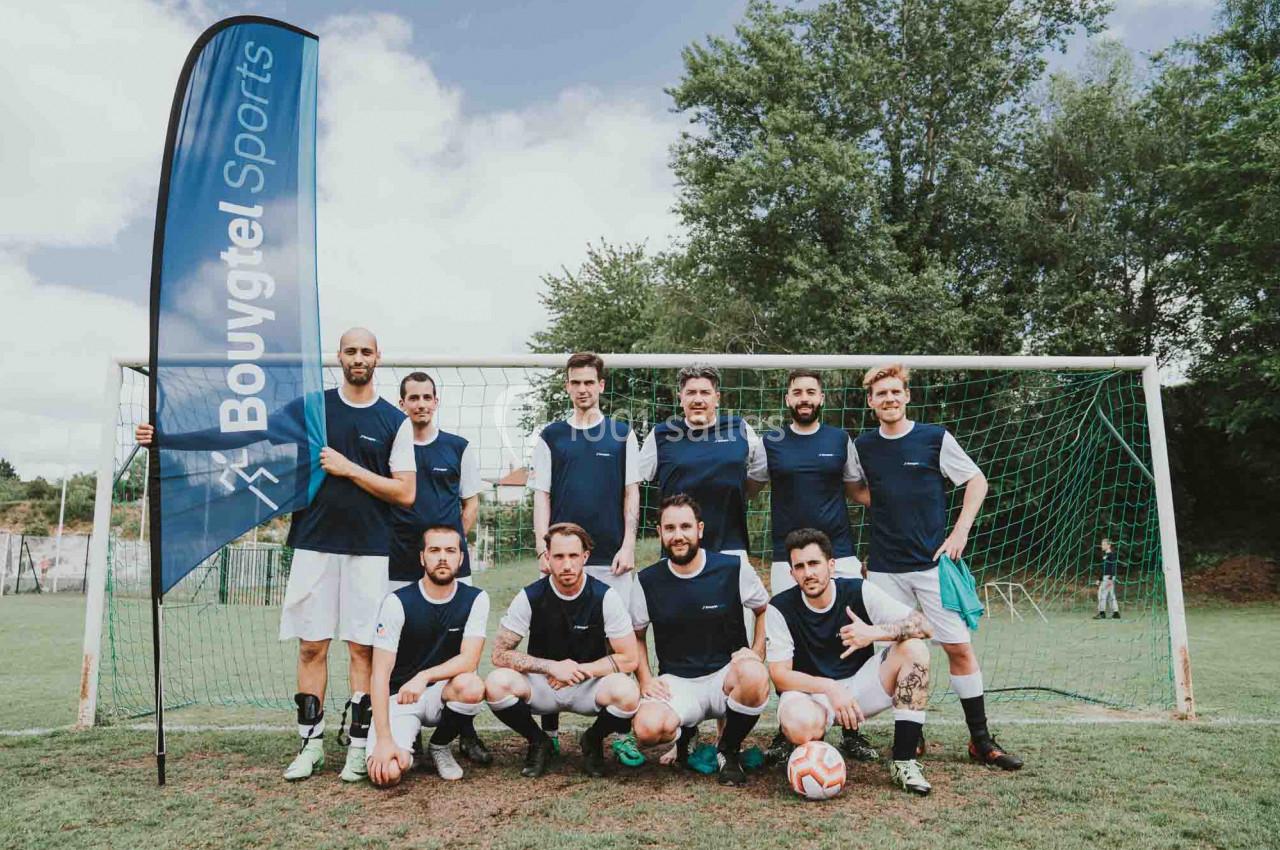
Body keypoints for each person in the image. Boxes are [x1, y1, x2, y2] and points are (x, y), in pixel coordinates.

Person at [136, 327, 417, 783]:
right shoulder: (312, 409)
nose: (358, 358)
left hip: (368, 549)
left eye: (366, 351)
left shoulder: (394, 420)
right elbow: (244, 432)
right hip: (313, 543)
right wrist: (168, 438)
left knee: (363, 650)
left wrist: (349, 469)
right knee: (311, 646)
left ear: (377, 357)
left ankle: (358, 747)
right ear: (339, 357)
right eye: (350, 351)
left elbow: (405, 492)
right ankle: (310, 746)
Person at [847, 363, 1022, 771]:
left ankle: (981, 740)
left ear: (907, 396)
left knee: (959, 648)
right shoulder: (864, 446)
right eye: (881, 394)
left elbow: (976, 481)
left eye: (896, 391)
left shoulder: (934, 438)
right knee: (898, 652)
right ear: (871, 402)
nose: (889, 398)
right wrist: (887, 503)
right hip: (885, 569)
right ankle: (912, 736)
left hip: (932, 565)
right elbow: (854, 488)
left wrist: (959, 533)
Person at [758, 369, 875, 762]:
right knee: (790, 641)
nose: (804, 398)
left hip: (838, 554)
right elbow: (749, 485)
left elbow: (857, 489)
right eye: (797, 392)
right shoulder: (771, 441)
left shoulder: (840, 440)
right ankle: (786, 726)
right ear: (788, 399)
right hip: (786, 557)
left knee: (849, 636)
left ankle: (853, 729)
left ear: (821, 398)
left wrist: (906, 505)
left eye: (811, 391)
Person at [529, 352, 641, 761]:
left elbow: (631, 493)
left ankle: (618, 731)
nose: (582, 389)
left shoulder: (622, 434)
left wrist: (629, 544)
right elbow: (542, 495)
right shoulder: (552, 436)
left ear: (601, 386)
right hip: (562, 558)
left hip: (611, 557)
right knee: (552, 637)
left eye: (589, 382)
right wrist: (542, 546)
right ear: (567, 386)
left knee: (618, 640)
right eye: (575, 382)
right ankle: (550, 731)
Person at [768, 528, 934, 795]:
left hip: (859, 689)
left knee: (914, 649)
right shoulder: (780, 607)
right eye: (799, 567)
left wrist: (873, 633)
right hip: (811, 693)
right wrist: (830, 688)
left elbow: (925, 626)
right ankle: (808, 753)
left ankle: (904, 761)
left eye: (814, 563)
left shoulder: (858, 591)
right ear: (792, 573)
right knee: (800, 725)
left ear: (831, 565)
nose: (808, 573)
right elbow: (779, 675)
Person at [629, 494, 771, 787]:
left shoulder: (733, 568)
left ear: (700, 529)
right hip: (678, 682)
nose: (678, 535)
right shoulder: (647, 581)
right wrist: (645, 679)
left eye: (685, 526)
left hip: (726, 676)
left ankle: (728, 750)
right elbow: (637, 635)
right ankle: (686, 735)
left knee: (755, 675)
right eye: (670, 528)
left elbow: (764, 609)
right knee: (646, 729)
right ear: (659, 532)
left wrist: (757, 652)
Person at [485, 523, 640, 778]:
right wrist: (551, 667)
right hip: (545, 683)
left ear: (585, 557)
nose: (567, 565)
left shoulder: (605, 596)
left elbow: (629, 658)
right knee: (496, 683)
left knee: (628, 692)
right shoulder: (530, 596)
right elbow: (499, 654)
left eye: (573, 556)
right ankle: (539, 741)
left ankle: (592, 739)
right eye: (558, 556)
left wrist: (580, 670)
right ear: (547, 557)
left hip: (589, 684)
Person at [389, 371, 490, 763]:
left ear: (436, 401)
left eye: (426, 397)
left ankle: (463, 729)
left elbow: (471, 502)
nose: (420, 404)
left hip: (448, 565)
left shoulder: (457, 447)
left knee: (459, 644)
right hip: (400, 559)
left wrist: (450, 549)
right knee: (403, 644)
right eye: (412, 398)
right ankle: (407, 723)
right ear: (401, 404)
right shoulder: (392, 448)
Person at [365, 526, 488, 787]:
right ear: (422, 557)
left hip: (442, 694)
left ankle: (440, 745)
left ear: (461, 558)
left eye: (450, 551)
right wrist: (385, 740)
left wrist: (424, 676)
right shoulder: (396, 602)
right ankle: (406, 753)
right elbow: (379, 674)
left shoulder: (476, 599)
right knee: (387, 774)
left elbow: (469, 660)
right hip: (401, 698)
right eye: (434, 550)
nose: (442, 557)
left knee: (472, 686)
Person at [638, 364, 768, 568]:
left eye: (705, 392)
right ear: (680, 398)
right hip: (678, 548)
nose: (698, 399)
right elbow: (633, 482)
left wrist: (744, 492)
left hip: (730, 547)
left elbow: (761, 470)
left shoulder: (740, 428)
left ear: (717, 398)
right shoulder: (661, 435)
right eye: (691, 393)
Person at [1095, 538, 1120, 619]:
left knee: (1101, 593)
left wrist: (1111, 577)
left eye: (1104, 544)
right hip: (1106, 577)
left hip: (1108, 578)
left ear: (1109, 545)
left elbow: (1113, 566)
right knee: (1110, 595)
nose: (1102, 546)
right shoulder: (1105, 556)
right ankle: (1116, 613)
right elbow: (1104, 568)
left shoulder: (1111, 555)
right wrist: (1100, 579)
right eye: (1102, 544)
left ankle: (1102, 613)